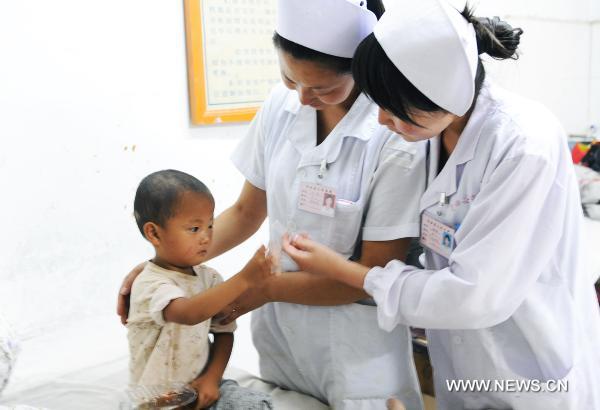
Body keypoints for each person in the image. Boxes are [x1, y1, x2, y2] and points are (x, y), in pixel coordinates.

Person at [282, 1, 600, 409]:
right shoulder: (432, 133)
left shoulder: (524, 144)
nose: (382, 121)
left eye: (395, 111)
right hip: (465, 361)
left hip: (532, 365)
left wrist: (351, 273)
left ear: (443, 97)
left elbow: (475, 295)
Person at [118, 0, 427, 408]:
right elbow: (246, 212)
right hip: (283, 336)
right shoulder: (281, 107)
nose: (301, 98)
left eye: (321, 88)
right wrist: (167, 266)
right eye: (289, 77)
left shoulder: (394, 135)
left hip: (356, 344)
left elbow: (371, 273)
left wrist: (260, 287)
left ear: (363, 67)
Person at [127, 170, 273, 409]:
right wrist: (244, 279)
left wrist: (211, 379)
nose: (206, 237)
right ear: (154, 233)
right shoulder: (149, 284)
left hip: (202, 388)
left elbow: (224, 331)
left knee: (255, 405)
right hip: (156, 399)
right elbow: (188, 314)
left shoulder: (210, 278)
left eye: (210, 225)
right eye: (194, 229)